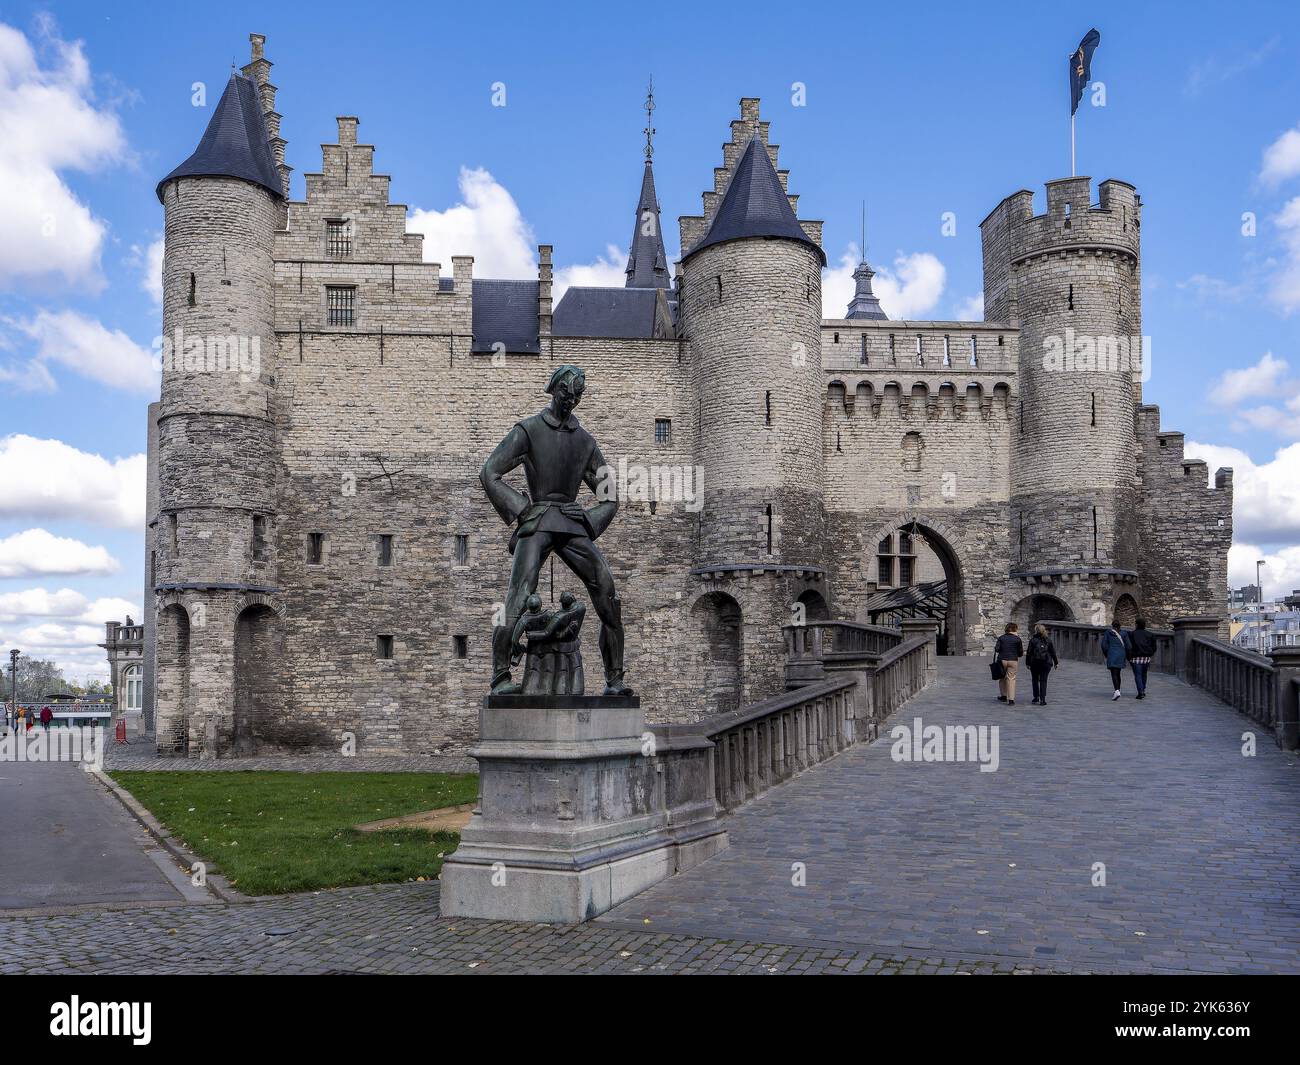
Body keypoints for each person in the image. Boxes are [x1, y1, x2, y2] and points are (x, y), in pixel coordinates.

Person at [1025, 623, 1059, 706]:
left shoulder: (1033, 640)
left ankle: (1036, 697)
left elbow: (1029, 653)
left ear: (1036, 631)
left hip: (1035, 662)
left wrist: (1027, 663)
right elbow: (1053, 652)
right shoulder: (1048, 640)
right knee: (1044, 680)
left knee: (1035, 680)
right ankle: (1043, 699)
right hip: (1046, 662)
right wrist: (1056, 662)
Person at [994, 623, 1024, 705]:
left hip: (1002, 660)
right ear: (1015, 629)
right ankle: (1011, 699)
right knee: (1011, 679)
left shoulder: (1001, 638)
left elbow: (997, 649)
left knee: (1002, 678)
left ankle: (1003, 696)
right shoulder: (1017, 639)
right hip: (1013, 660)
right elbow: (1021, 652)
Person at [1100, 619, 1130, 701]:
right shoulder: (1124, 633)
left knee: (1114, 673)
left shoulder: (1108, 633)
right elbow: (1129, 646)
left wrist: (1107, 654)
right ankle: (1118, 690)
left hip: (1112, 654)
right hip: (1121, 655)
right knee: (1118, 672)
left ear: (1112, 626)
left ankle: (1116, 690)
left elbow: (1104, 645)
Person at [1127, 618, 1156, 700]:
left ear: (1136, 624)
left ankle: (1141, 692)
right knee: (1144, 674)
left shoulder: (1131, 634)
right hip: (1146, 657)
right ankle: (1142, 688)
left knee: (1138, 675)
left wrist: (1128, 656)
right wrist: (1150, 653)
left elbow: (1129, 647)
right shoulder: (1150, 634)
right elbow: (1154, 647)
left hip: (1135, 657)